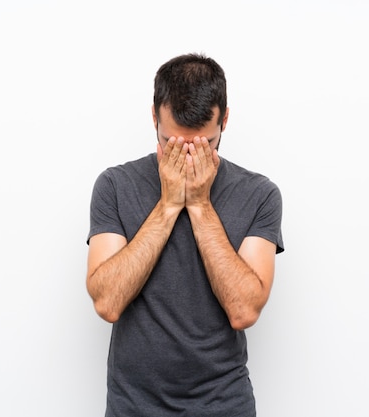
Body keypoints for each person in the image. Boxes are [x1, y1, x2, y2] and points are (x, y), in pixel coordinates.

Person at [86, 52, 284, 417]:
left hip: (224, 404)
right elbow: (107, 302)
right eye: (171, 144)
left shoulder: (260, 194)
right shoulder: (115, 185)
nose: (188, 159)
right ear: (153, 117)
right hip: (133, 406)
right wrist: (167, 205)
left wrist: (199, 204)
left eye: (203, 146)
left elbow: (244, 309)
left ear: (224, 120)